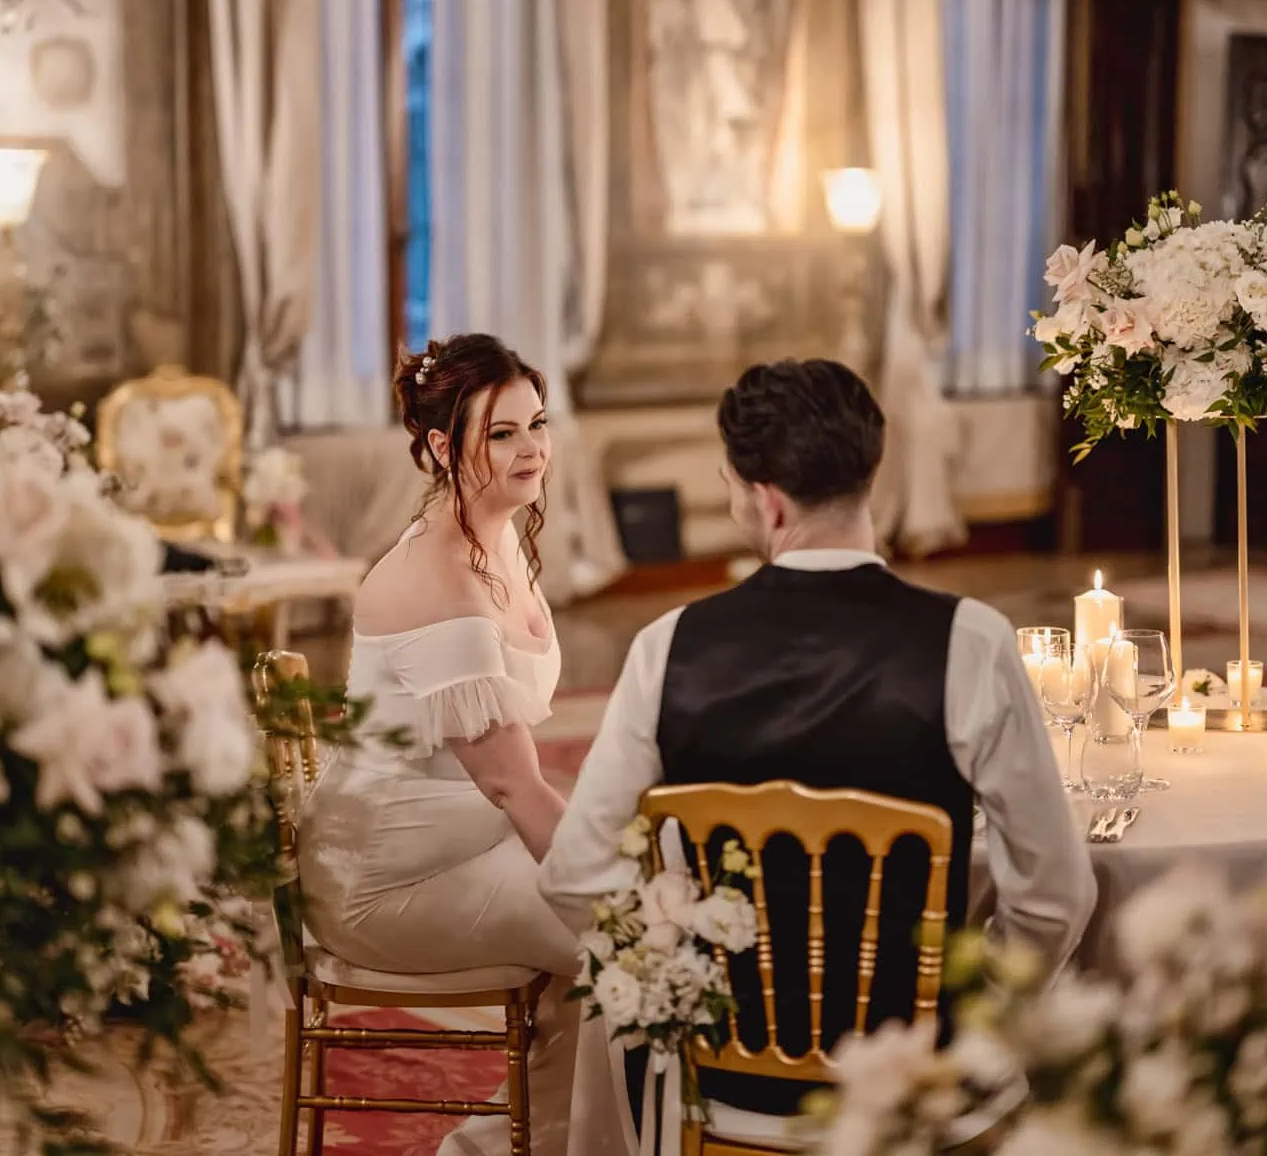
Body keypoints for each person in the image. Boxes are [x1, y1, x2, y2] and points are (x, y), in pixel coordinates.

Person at [539, 358, 1097, 1129]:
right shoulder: (970, 640)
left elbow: (574, 875)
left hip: (725, 1088)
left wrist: (676, 984)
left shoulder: (668, 646)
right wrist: (980, 1006)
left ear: (765, 503)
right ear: (868, 470)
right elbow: (1057, 893)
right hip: (920, 1080)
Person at [297, 333, 633, 1156]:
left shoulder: (499, 533)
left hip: (463, 845)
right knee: (633, 949)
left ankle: (505, 1144)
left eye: (537, 424)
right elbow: (517, 789)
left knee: (624, 930)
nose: (532, 450)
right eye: (502, 434)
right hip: (387, 884)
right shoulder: (439, 578)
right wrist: (618, 886)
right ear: (444, 447)